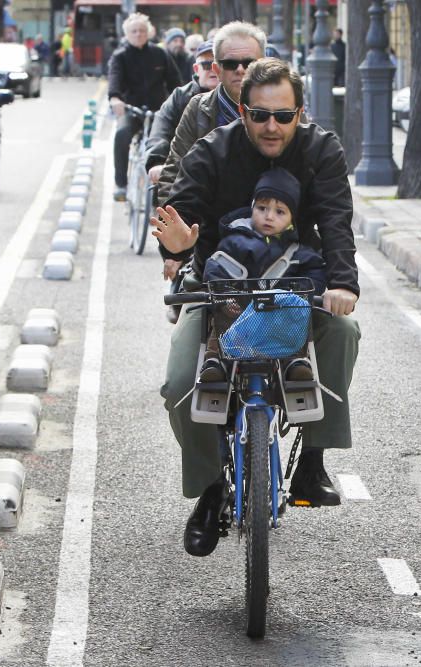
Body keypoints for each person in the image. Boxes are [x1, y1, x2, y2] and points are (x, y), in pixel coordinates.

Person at [151, 57, 361, 558]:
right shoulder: (212, 151)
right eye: (261, 114)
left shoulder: (321, 151)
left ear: (300, 113)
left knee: (343, 334)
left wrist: (343, 285)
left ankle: (312, 458)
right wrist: (176, 247)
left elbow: (336, 221)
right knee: (182, 383)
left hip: (296, 287)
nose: (272, 126)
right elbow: (179, 218)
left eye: (284, 116)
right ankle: (209, 490)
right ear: (242, 112)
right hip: (218, 289)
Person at [155, 20, 266, 284]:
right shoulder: (197, 109)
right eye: (230, 64)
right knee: (188, 316)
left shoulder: (288, 108)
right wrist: (174, 244)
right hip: (209, 245)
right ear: (217, 68)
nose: (240, 70)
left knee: (335, 325)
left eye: (249, 62)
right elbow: (174, 174)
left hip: (276, 242)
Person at [198, 167, 327, 384]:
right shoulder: (234, 240)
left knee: (292, 325)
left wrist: (297, 294)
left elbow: (315, 272)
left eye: (280, 212)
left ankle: (295, 362)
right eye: (262, 207)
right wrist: (224, 296)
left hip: (277, 313)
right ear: (251, 208)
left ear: (292, 219)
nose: (269, 216)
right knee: (219, 322)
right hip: (237, 310)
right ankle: (215, 361)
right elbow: (215, 268)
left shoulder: (297, 252)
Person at [107, 12, 182, 202]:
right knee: (122, 134)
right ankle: (121, 184)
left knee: (167, 143)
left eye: (142, 30)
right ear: (126, 34)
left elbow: (175, 82)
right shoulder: (120, 56)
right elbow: (114, 80)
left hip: (158, 111)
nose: (138, 34)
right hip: (132, 109)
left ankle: (161, 192)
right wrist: (115, 99)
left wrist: (180, 102)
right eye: (134, 31)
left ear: (148, 32)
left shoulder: (160, 54)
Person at [144, 40, 218, 191]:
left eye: (218, 64)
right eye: (206, 65)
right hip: (185, 173)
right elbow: (162, 125)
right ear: (196, 69)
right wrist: (158, 161)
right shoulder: (180, 96)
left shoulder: (236, 95)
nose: (213, 70)